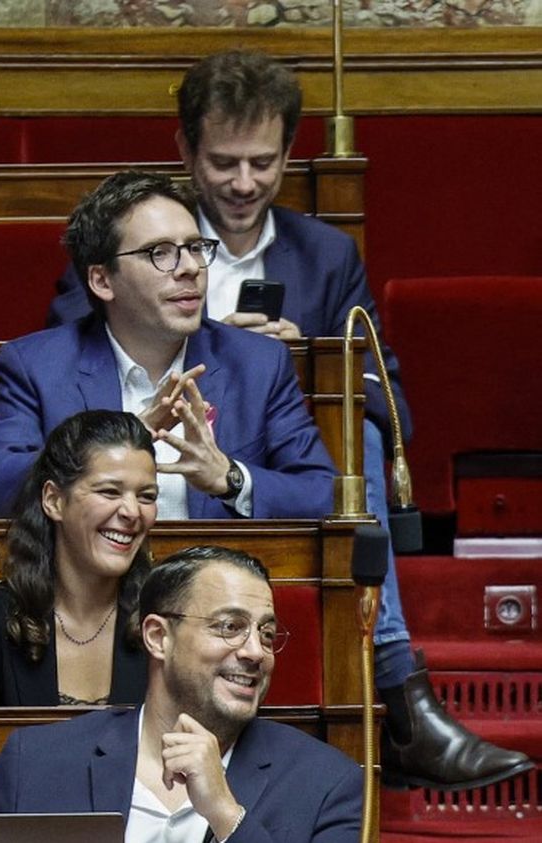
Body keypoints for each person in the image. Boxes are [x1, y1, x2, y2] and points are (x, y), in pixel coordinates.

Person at [50, 51, 529, 792]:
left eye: (264, 164)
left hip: (271, 449)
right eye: (223, 163)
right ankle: (399, 695)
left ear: (289, 153)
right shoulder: (142, 241)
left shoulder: (325, 254)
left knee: (358, 434)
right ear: (185, 151)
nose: (244, 185)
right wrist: (199, 338)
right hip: (157, 454)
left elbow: (385, 390)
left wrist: (305, 356)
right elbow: (75, 353)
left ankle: (394, 681)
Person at [0, 170, 335, 523]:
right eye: (160, 252)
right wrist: (111, 445)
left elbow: (324, 495)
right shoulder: (38, 367)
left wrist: (229, 478)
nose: (189, 267)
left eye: (195, 247)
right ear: (103, 281)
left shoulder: (258, 364)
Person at [0, 545, 363, 843]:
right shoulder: (36, 761)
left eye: (266, 634)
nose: (255, 652)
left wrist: (227, 815)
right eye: (230, 627)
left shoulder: (327, 784)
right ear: (158, 637)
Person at [0, 410, 158, 707]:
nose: (133, 512)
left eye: (147, 496)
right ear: (54, 500)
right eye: (110, 492)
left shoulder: (167, 618)